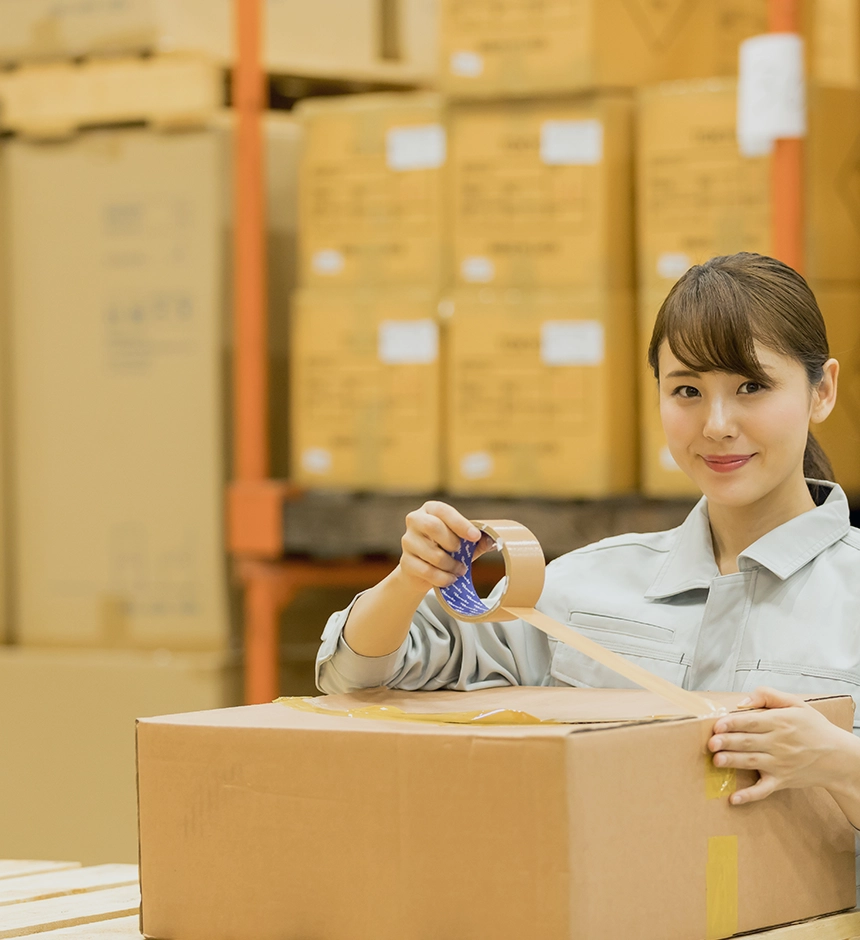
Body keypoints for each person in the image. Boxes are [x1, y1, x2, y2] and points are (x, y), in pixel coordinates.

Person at [316, 253, 860, 841]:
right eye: (687, 391)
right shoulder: (582, 590)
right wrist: (410, 579)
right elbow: (351, 679)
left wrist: (838, 761)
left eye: (752, 386)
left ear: (821, 391)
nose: (717, 424)